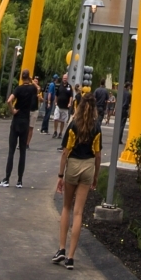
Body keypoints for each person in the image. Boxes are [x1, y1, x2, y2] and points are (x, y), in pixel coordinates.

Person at [53, 93, 102, 269]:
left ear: (80, 106)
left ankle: (61, 248)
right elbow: (98, 155)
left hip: (73, 165)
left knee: (66, 207)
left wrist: (60, 175)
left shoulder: (74, 125)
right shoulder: (96, 127)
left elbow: (65, 152)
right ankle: (71, 257)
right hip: (88, 167)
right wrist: (95, 176)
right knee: (79, 213)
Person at [0, 68, 40, 188]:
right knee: (22, 152)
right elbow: (38, 88)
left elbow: (9, 100)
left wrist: (13, 111)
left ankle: (7, 178)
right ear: (29, 77)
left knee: (11, 151)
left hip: (17, 119)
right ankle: (19, 180)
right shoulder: (32, 89)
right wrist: (31, 80)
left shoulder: (18, 89)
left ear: (21, 77)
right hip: (25, 121)